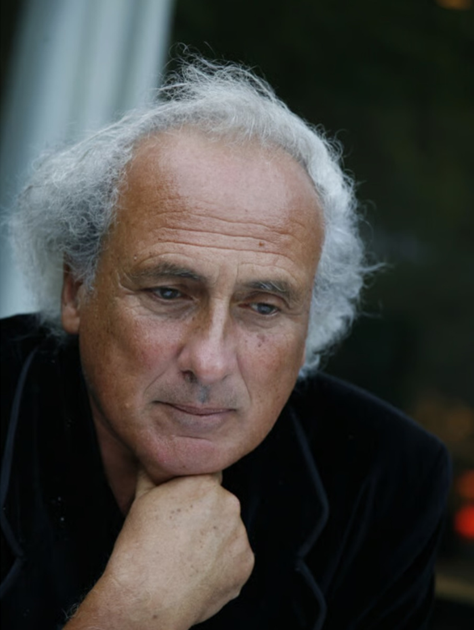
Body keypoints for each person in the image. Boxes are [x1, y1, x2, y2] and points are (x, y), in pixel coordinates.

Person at [1, 59, 450, 630]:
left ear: (310, 321)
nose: (209, 363)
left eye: (262, 307)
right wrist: (133, 613)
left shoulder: (384, 477)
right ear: (77, 290)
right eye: (169, 293)